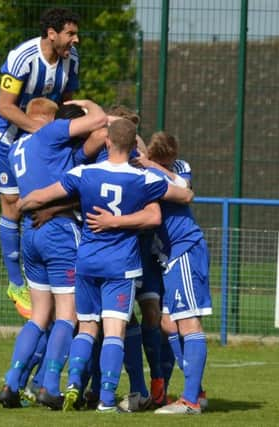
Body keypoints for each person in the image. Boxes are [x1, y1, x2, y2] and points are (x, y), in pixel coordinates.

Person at [17, 119, 194, 413]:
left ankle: (74, 384)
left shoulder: (84, 172)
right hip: (120, 265)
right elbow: (183, 195)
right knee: (114, 332)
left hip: (86, 263)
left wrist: (18, 207)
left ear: (108, 142)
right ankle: (107, 400)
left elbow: (42, 195)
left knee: (86, 327)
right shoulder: (143, 179)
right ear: (132, 146)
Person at [87, 131, 211, 415]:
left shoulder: (155, 175)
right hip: (169, 256)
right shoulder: (140, 175)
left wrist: (112, 221)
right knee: (168, 323)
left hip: (184, 250)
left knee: (189, 323)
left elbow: (186, 192)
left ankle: (191, 400)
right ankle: (195, 391)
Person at [0, 98, 107, 410]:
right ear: (46, 119)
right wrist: (86, 104)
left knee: (39, 315)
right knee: (67, 316)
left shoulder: (18, 148)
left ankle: (11, 382)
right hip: (60, 232)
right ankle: (49, 385)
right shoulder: (49, 134)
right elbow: (98, 123)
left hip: (29, 233)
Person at [0, 8, 80, 319]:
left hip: (44, 141)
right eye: (70, 33)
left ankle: (52, 274)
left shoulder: (72, 60)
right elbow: (4, 107)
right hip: (7, 138)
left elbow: (66, 102)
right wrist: (40, 131)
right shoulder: (22, 57)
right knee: (13, 205)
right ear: (51, 33)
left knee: (51, 197)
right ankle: (16, 283)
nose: (75, 39)